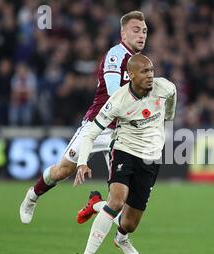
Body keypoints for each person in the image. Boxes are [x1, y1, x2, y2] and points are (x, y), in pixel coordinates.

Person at [19, 11, 148, 223]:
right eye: (136, 30)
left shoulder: (142, 62)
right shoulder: (116, 55)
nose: (141, 35)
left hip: (122, 132)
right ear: (123, 34)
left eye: (144, 31)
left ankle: (94, 204)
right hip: (98, 125)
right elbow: (116, 95)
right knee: (63, 170)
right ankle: (32, 195)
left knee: (123, 201)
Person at [72, 54, 177, 254]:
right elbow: (91, 132)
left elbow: (173, 94)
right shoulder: (118, 100)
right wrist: (82, 162)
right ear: (130, 75)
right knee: (117, 201)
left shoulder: (164, 87)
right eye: (145, 72)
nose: (150, 75)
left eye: (151, 70)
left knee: (129, 223)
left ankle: (114, 229)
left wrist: (169, 116)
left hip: (150, 160)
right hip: (124, 151)